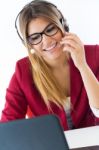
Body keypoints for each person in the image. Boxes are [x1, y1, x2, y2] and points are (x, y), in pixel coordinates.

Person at [0, 0, 99, 131]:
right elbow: (7, 127)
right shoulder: (23, 71)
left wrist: (82, 66)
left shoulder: (95, 55)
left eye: (50, 29)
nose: (46, 41)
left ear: (64, 25)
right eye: (35, 37)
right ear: (29, 44)